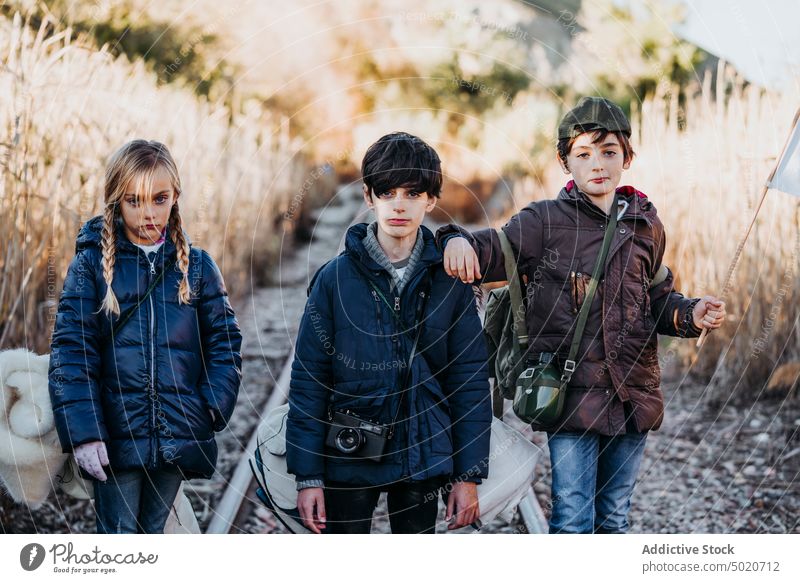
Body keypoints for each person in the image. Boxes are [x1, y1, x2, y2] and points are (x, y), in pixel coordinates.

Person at [436, 97, 726, 534]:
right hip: (569, 398)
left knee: (614, 517)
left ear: (627, 157)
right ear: (564, 160)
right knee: (573, 519)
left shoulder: (646, 225)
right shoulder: (544, 222)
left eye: (609, 152)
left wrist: (691, 314)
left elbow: (659, 299)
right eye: (584, 153)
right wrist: (454, 238)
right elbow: (491, 251)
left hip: (633, 395)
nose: (598, 164)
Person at [286, 132, 492, 534]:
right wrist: (307, 476)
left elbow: (468, 381)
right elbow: (309, 380)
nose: (399, 204)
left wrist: (468, 475)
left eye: (413, 194)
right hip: (348, 454)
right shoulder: (334, 280)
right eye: (388, 192)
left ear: (431, 200)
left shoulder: (450, 284)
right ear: (369, 196)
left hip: (423, 456)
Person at [48, 139, 242, 533]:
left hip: (177, 433)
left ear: (175, 197)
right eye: (134, 200)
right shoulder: (91, 267)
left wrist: (208, 409)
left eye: (159, 198)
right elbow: (71, 354)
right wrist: (84, 435)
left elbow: (225, 345)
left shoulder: (199, 267)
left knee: (155, 536)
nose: (148, 213)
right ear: (116, 201)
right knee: (120, 540)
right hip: (115, 439)